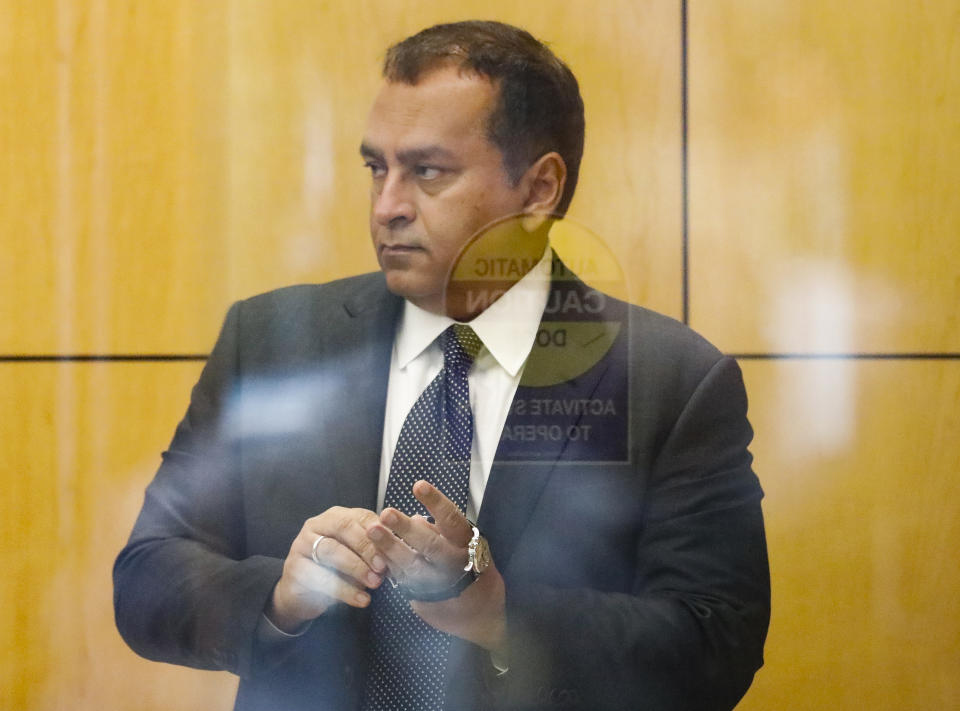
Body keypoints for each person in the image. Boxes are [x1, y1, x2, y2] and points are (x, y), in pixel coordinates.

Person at [114, 20, 769, 711]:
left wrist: (498, 615)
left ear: (539, 188)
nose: (388, 206)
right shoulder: (274, 341)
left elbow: (715, 644)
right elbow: (145, 577)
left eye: (428, 172)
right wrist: (278, 594)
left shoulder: (671, 382)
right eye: (377, 168)